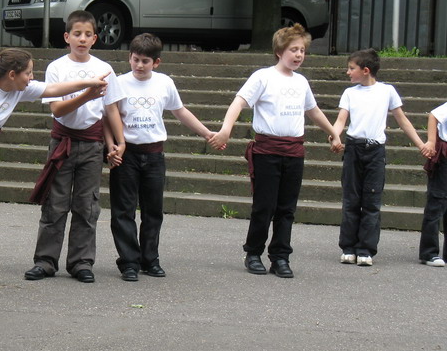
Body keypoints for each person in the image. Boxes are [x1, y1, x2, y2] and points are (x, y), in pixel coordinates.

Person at [0, 48, 109, 286]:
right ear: (12, 74)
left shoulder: (20, 89)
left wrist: (89, 83)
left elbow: (54, 89)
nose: (31, 77)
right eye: (28, 72)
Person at [209, 23, 342, 279]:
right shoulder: (263, 77)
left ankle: (280, 257)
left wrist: (333, 132)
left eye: (302, 50)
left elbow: (313, 110)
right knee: (264, 206)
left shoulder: (301, 82)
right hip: (267, 152)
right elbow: (239, 102)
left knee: (286, 209)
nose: (299, 55)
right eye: (294, 50)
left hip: (294, 152)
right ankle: (253, 253)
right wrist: (226, 129)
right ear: (279, 51)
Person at [110, 33, 223, 281]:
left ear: (156, 62)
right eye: (135, 59)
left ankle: (150, 259)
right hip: (127, 155)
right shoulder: (118, 83)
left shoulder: (164, 83)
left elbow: (180, 111)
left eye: (145, 61)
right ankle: (129, 262)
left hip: (154, 155)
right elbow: (110, 116)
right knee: (123, 210)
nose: (139, 65)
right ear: (129, 57)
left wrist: (207, 133)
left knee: (153, 211)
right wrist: (112, 147)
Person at [25, 10, 125, 284]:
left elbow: (111, 109)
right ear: (67, 37)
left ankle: (81, 262)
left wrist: (120, 141)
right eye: (77, 34)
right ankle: (45, 261)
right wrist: (87, 95)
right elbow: (57, 109)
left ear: (95, 39)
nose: (82, 39)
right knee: (55, 204)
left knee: (87, 205)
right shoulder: (57, 68)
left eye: (88, 35)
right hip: (62, 143)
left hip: (92, 144)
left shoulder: (104, 68)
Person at [331, 48, 432, 267]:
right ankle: (348, 247)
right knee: (351, 199)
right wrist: (335, 136)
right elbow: (341, 120)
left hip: (375, 150)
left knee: (372, 201)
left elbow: (402, 120)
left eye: (351, 68)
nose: (348, 72)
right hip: (354, 148)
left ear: (365, 70)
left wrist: (421, 144)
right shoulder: (350, 93)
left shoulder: (387, 91)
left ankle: (365, 249)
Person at [418, 102, 447, 267]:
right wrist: (431, 140)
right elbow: (434, 115)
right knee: (436, 202)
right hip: (444, 156)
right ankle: (429, 253)